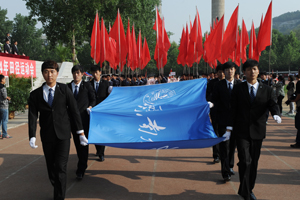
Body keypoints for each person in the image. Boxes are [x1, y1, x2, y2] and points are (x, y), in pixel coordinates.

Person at [28, 60, 87, 200]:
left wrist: (80, 132)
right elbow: (32, 115)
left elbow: (74, 111)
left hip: (63, 136)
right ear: (43, 73)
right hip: (47, 136)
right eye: (47, 72)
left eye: (52, 72)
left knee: (61, 167)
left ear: (57, 73)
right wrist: (32, 135)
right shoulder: (35, 94)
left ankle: (59, 197)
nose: (50, 75)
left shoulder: (64, 89)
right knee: (51, 168)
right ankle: (58, 187)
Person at [227, 59, 281, 200]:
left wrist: (276, 114)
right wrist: (229, 127)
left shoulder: (267, 90)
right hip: (241, 131)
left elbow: (272, 104)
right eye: (249, 69)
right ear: (244, 72)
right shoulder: (238, 89)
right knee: (245, 161)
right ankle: (245, 192)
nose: (252, 72)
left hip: (258, 131)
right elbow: (233, 109)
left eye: (255, 69)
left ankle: (249, 188)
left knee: (254, 162)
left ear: (258, 71)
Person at [211, 61, 241, 182]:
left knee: (233, 145)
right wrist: (210, 105)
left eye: (232, 69)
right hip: (223, 121)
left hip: (237, 121)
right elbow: (214, 100)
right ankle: (225, 172)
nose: (230, 71)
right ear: (224, 72)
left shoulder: (240, 85)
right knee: (225, 146)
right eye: (227, 69)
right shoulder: (219, 85)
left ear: (235, 71)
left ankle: (230, 166)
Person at [67, 65, 96, 180]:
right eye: (74, 73)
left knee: (83, 144)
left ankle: (81, 168)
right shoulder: (67, 87)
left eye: (78, 72)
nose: (76, 75)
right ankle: (82, 162)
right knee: (77, 144)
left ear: (82, 74)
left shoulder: (87, 86)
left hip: (84, 120)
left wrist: (90, 106)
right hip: (72, 121)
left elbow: (93, 99)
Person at [90, 65, 112, 161]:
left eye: (96, 72)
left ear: (100, 72)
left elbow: (110, 97)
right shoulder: (88, 84)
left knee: (102, 132)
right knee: (94, 132)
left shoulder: (106, 84)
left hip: (103, 112)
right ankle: (98, 149)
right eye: (93, 72)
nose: (95, 74)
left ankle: (101, 153)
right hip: (92, 112)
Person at [206, 64, 225, 164]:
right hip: (216, 112)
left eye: (223, 71)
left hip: (227, 113)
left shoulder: (230, 83)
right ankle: (216, 154)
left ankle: (224, 154)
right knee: (216, 133)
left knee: (226, 133)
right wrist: (210, 102)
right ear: (216, 73)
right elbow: (207, 95)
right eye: (219, 72)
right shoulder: (212, 83)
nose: (221, 74)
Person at [290, 68, 300, 148]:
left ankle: (299, 142)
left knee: (299, 125)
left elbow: (299, 95)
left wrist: (294, 100)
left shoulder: (299, 83)